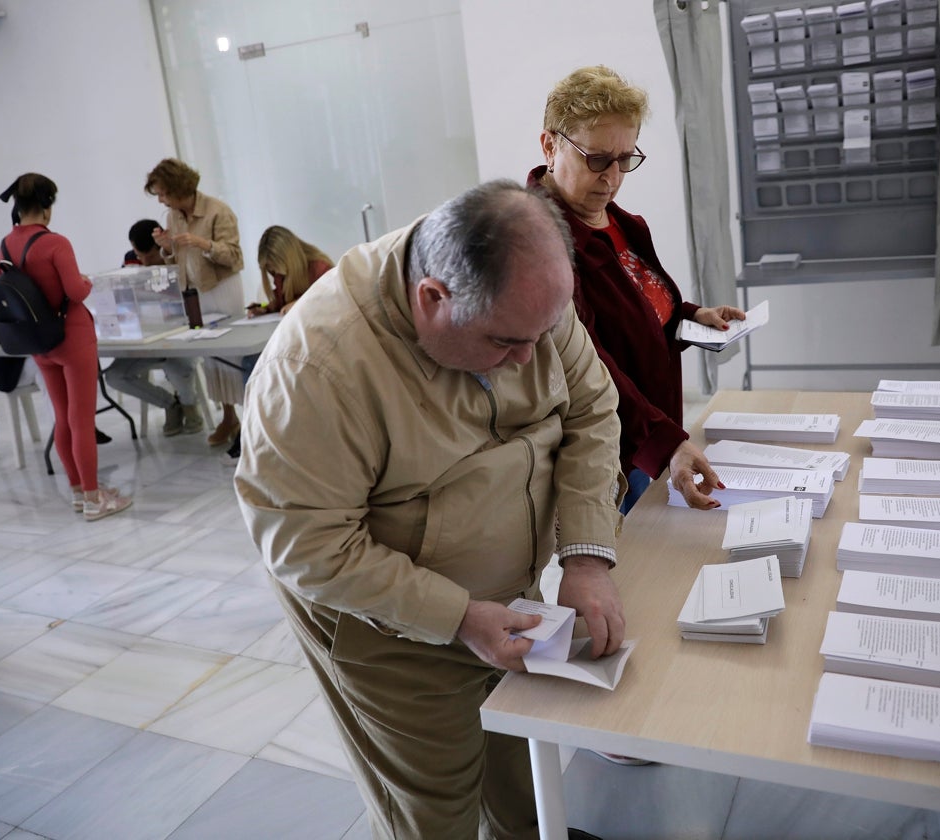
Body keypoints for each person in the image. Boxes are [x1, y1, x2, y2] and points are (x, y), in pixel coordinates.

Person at [235, 180, 626, 840]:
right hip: (390, 624)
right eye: (506, 342)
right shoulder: (317, 367)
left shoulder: (522, 294)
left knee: (518, 756)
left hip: (507, 595)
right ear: (432, 299)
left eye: (544, 334)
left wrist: (586, 557)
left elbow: (591, 410)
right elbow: (308, 546)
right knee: (434, 792)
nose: (530, 359)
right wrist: (458, 617)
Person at [530, 65, 747, 514]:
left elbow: (637, 310)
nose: (613, 177)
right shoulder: (539, 242)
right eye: (596, 159)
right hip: (608, 447)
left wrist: (688, 316)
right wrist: (665, 443)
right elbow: (587, 364)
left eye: (625, 159)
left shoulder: (621, 222)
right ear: (550, 146)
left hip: (651, 433)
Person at [0, 174, 131, 521]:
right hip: (72, 337)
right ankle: (93, 498)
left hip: (39, 343)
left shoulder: (7, 245)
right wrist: (85, 281)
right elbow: (75, 291)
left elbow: (2, 286)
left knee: (63, 416)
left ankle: (78, 491)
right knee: (82, 419)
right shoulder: (56, 243)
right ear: (46, 206)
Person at [145, 158, 245, 446]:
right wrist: (166, 248)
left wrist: (205, 245)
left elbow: (234, 256)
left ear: (178, 188)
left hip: (222, 287)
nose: (161, 200)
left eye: (163, 193)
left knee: (232, 354)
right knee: (210, 356)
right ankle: (229, 418)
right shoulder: (173, 217)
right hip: (194, 292)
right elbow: (177, 258)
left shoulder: (217, 211)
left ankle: (247, 418)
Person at [222, 225, 334, 462]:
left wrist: (301, 303)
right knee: (251, 362)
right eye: (269, 271)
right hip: (290, 340)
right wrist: (263, 309)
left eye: (274, 268)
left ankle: (258, 429)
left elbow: (332, 300)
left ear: (286, 257)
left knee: (254, 363)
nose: (273, 276)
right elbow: (280, 302)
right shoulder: (283, 275)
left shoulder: (319, 268)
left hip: (316, 343)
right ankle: (260, 427)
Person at [104, 219, 205, 436]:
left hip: (179, 335)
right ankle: (170, 405)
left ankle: (190, 405)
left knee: (179, 367)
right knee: (114, 376)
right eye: (138, 255)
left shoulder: (176, 260)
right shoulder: (131, 262)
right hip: (146, 339)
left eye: (148, 256)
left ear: (160, 248)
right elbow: (122, 301)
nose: (143, 261)